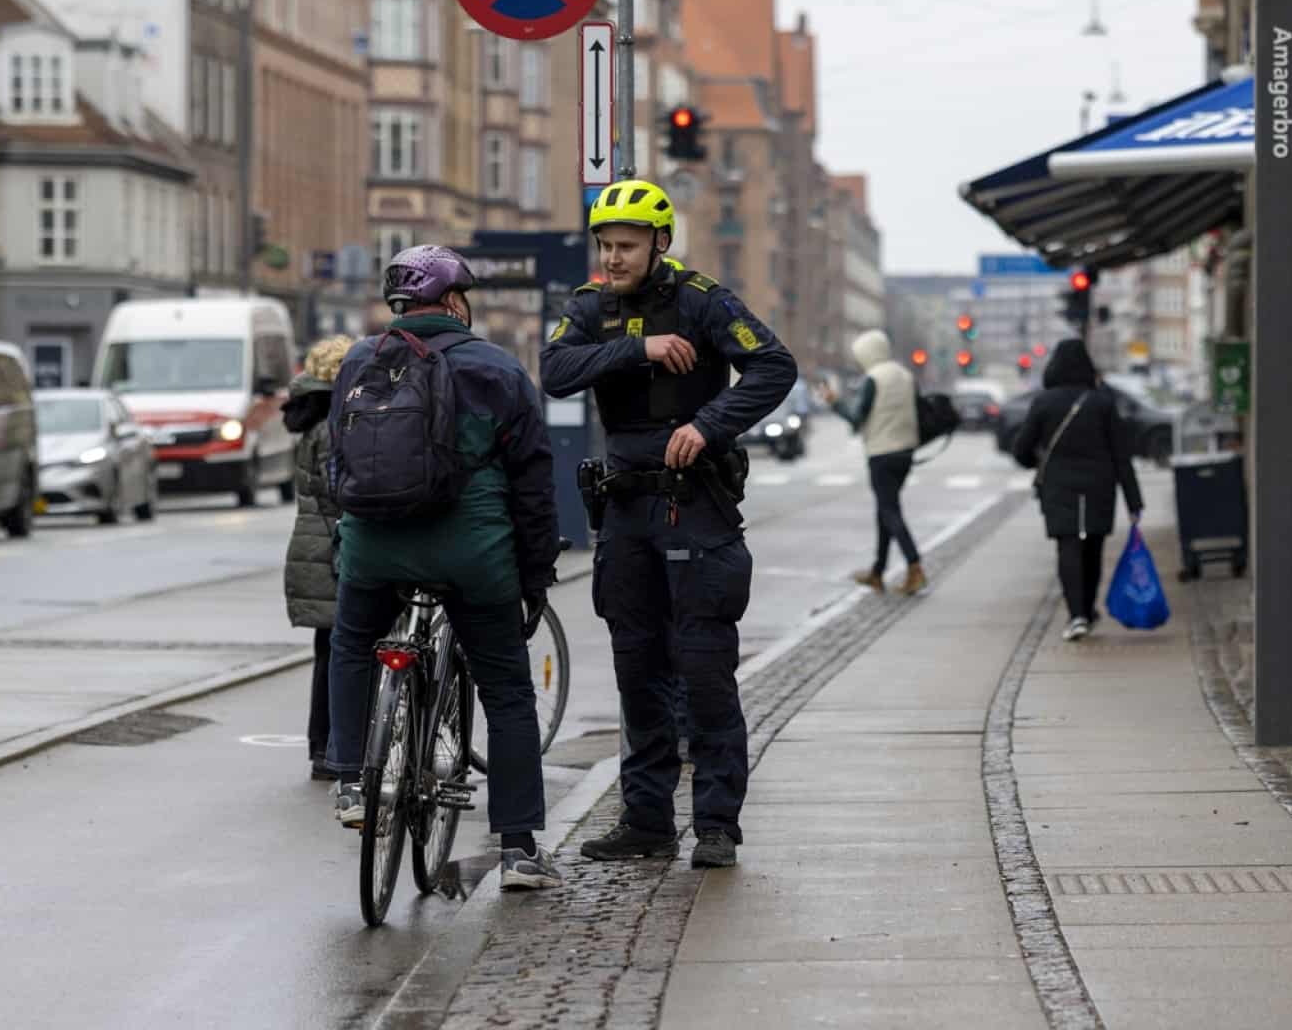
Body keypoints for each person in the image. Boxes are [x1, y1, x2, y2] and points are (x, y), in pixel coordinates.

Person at [542, 179, 798, 869]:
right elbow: (554, 371)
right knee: (638, 669)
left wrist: (710, 424)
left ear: (659, 243)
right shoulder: (591, 307)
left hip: (695, 508)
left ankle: (716, 824)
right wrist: (639, 350)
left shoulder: (701, 300)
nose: (614, 258)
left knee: (705, 670)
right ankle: (647, 822)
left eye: (626, 246)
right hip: (625, 511)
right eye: (605, 245)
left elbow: (774, 366)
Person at [326, 246, 564, 891]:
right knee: (509, 693)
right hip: (473, 555)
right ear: (457, 302)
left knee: (351, 642)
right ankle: (518, 849)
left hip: (376, 547)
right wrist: (535, 575)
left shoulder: (357, 361)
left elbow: (334, 464)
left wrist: (349, 544)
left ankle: (351, 779)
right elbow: (534, 486)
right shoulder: (497, 370)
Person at [1013, 338, 1143, 641]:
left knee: (1068, 546)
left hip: (1059, 486)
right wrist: (1134, 500)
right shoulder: (1102, 403)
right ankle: (1088, 607)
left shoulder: (1044, 402)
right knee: (1093, 547)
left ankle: (1076, 615)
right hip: (1099, 485)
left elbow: (1021, 450)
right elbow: (1121, 455)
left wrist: (1041, 460)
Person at [282, 335, 354, 781]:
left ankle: (322, 747)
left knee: (328, 653)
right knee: (340, 653)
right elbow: (338, 491)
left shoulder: (314, 420)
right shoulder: (333, 425)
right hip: (332, 551)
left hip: (314, 548)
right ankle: (329, 749)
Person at [821, 330, 927, 596]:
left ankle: (915, 567)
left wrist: (836, 403)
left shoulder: (873, 378)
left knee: (889, 510)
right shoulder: (905, 375)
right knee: (885, 511)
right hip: (906, 451)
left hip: (882, 452)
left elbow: (857, 417)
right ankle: (878, 572)